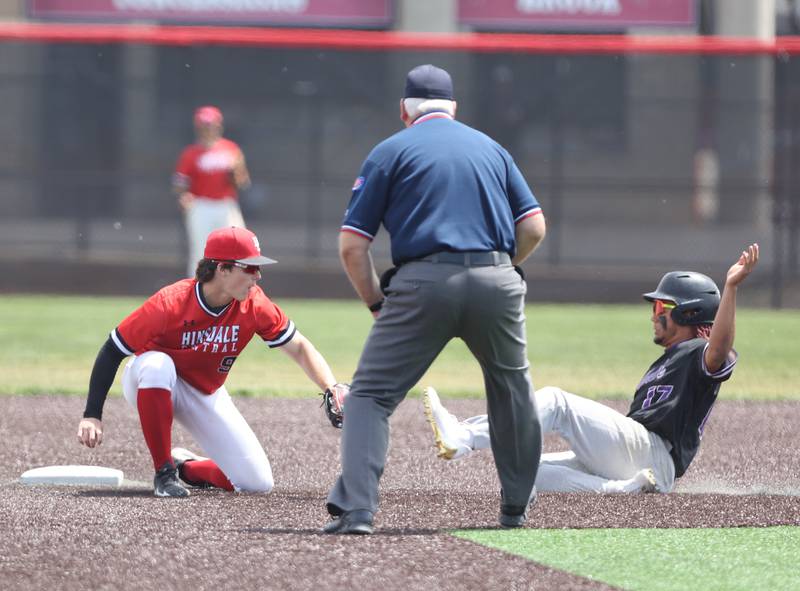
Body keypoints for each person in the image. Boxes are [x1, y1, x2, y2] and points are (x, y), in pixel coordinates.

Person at [323, 64, 547, 534]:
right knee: (513, 394)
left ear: (405, 110)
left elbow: (351, 245)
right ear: (454, 108)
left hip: (422, 283)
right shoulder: (492, 148)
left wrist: (375, 303)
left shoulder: (390, 151)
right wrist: (502, 266)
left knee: (369, 395)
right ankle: (515, 509)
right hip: (496, 280)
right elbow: (533, 228)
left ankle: (358, 511)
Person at [423, 244, 760, 494]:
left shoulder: (698, 350)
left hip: (654, 452)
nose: (654, 314)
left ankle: (464, 435)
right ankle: (621, 490)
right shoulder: (672, 359)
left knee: (556, 402)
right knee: (521, 470)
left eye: (662, 306)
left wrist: (730, 287)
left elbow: (718, 350)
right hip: (641, 460)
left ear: (689, 313)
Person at [76, 226, 348, 497]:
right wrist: (92, 415)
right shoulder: (170, 303)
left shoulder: (254, 303)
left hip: (205, 391)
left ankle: (186, 468)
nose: (258, 276)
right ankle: (164, 473)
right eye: (250, 268)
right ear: (223, 269)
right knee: (158, 365)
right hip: (149, 380)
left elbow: (298, 346)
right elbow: (113, 350)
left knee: (256, 483)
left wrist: (330, 386)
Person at [174, 106, 251, 277]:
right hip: (201, 205)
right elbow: (180, 183)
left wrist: (236, 174)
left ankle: (240, 289)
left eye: (210, 124)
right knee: (201, 252)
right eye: (203, 125)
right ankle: (195, 294)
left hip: (226, 205)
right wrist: (183, 195)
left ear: (218, 125)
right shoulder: (191, 153)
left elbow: (243, 181)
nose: (207, 128)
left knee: (240, 247)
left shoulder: (231, 148)